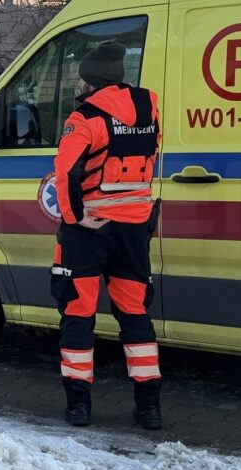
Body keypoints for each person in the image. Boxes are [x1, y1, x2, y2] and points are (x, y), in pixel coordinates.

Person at [51, 41, 163, 430]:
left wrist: (75, 217)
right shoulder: (150, 109)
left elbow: (65, 173)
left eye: (82, 77)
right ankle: (149, 408)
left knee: (78, 315)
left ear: (91, 80)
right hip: (134, 230)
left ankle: (78, 407)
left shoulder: (84, 118)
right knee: (135, 315)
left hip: (90, 231)